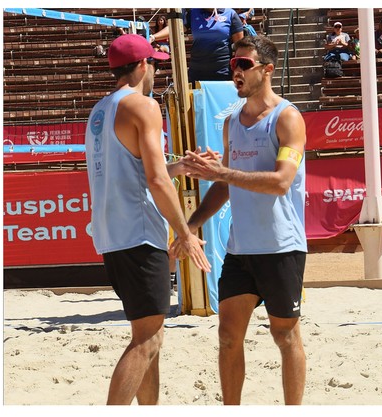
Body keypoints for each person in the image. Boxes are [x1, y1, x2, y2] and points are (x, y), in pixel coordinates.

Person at [179, 35, 308, 405]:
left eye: (244, 64)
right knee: (228, 337)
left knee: (285, 336)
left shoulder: (288, 118)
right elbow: (225, 184)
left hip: (282, 246)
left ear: (266, 70)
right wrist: (193, 222)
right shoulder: (233, 121)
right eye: (233, 64)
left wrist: (223, 173)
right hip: (241, 249)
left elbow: (281, 182)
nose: (235, 71)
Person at [84, 33, 212, 405]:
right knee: (147, 340)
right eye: (154, 63)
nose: (156, 70)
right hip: (139, 234)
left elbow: (134, 173)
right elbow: (154, 181)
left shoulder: (100, 110)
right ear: (142, 66)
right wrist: (184, 232)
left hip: (112, 233)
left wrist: (179, 166)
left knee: (148, 335)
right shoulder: (143, 106)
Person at [151, 8, 244, 85]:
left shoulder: (230, 14)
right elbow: (174, 28)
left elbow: (239, 48)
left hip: (223, 73)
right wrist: (153, 37)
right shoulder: (192, 13)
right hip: (197, 73)